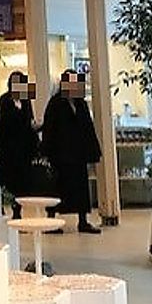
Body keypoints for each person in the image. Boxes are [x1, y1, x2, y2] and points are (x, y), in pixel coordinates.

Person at [42, 69, 103, 234]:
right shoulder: (55, 103)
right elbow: (49, 128)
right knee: (56, 188)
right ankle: (51, 221)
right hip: (60, 154)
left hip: (78, 154)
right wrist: (47, 151)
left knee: (81, 188)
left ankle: (83, 221)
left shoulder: (80, 104)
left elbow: (88, 127)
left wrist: (92, 151)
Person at [0, 71, 38, 219]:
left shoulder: (26, 101)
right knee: (10, 181)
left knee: (23, 182)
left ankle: (19, 209)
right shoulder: (4, 100)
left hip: (24, 150)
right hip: (9, 151)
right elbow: (1, 125)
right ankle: (13, 209)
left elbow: (30, 120)